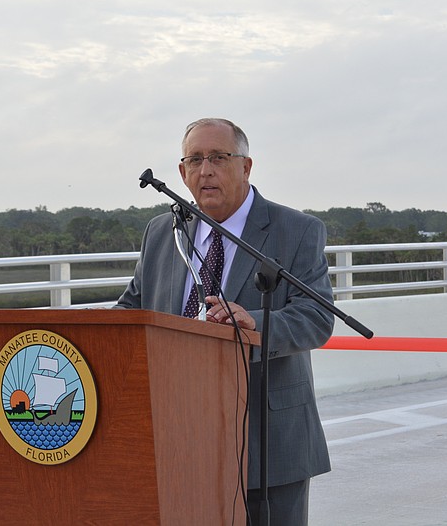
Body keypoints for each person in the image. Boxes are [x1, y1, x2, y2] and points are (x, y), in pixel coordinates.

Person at [116, 117, 334, 525]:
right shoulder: (164, 232)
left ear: (246, 166)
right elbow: (132, 310)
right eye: (195, 160)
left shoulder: (297, 230)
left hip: (267, 441)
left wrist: (252, 322)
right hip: (176, 435)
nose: (206, 170)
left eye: (218, 157)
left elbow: (317, 316)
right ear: (182, 173)